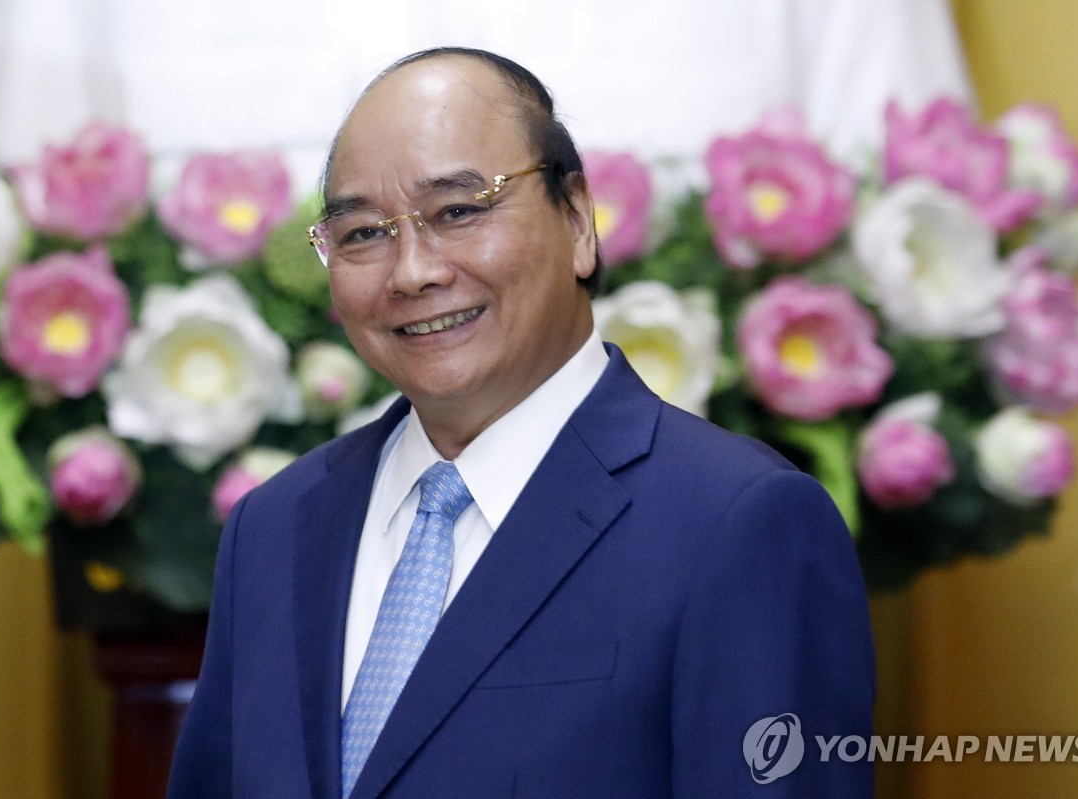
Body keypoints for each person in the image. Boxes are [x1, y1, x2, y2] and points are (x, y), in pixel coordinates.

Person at [167, 47, 874, 798]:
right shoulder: (275, 527)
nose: (412, 272)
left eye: (458, 212)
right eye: (364, 233)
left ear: (578, 219)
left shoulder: (738, 522)